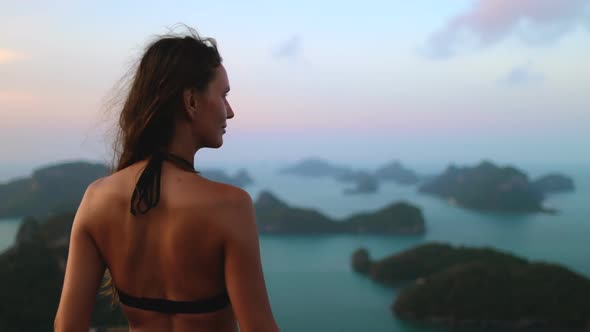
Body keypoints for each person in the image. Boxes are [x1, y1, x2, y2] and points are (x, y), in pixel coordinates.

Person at [54, 27, 280, 332]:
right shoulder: (231, 207)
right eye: (224, 95)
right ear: (191, 101)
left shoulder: (96, 200)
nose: (230, 111)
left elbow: (68, 326)